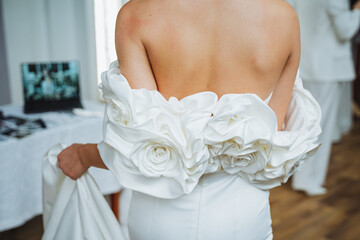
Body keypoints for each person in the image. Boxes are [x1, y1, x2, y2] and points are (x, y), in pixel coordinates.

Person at [55, 0, 321, 239]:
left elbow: (139, 146)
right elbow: (273, 134)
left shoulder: (137, 14)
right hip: (242, 216)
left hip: (159, 215)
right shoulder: (284, 18)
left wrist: (83, 155)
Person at [287, 0, 360, 196]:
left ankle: (296, 173)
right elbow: (346, 30)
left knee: (301, 123)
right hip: (326, 69)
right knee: (321, 127)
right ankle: (308, 180)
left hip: (304, 64)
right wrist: (357, 11)